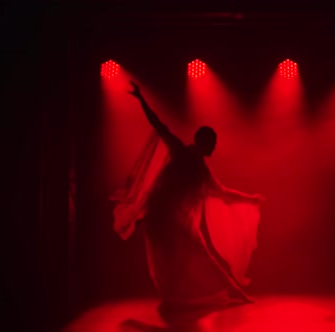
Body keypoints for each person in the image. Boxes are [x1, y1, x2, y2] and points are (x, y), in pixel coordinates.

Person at [110, 81, 264, 314]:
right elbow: (159, 126)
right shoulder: (182, 152)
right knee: (188, 258)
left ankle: (234, 294)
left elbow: (222, 192)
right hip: (162, 216)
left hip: (176, 220)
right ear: (202, 142)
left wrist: (250, 198)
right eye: (212, 142)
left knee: (199, 257)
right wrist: (141, 99)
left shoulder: (202, 170)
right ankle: (233, 294)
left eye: (215, 142)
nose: (214, 146)